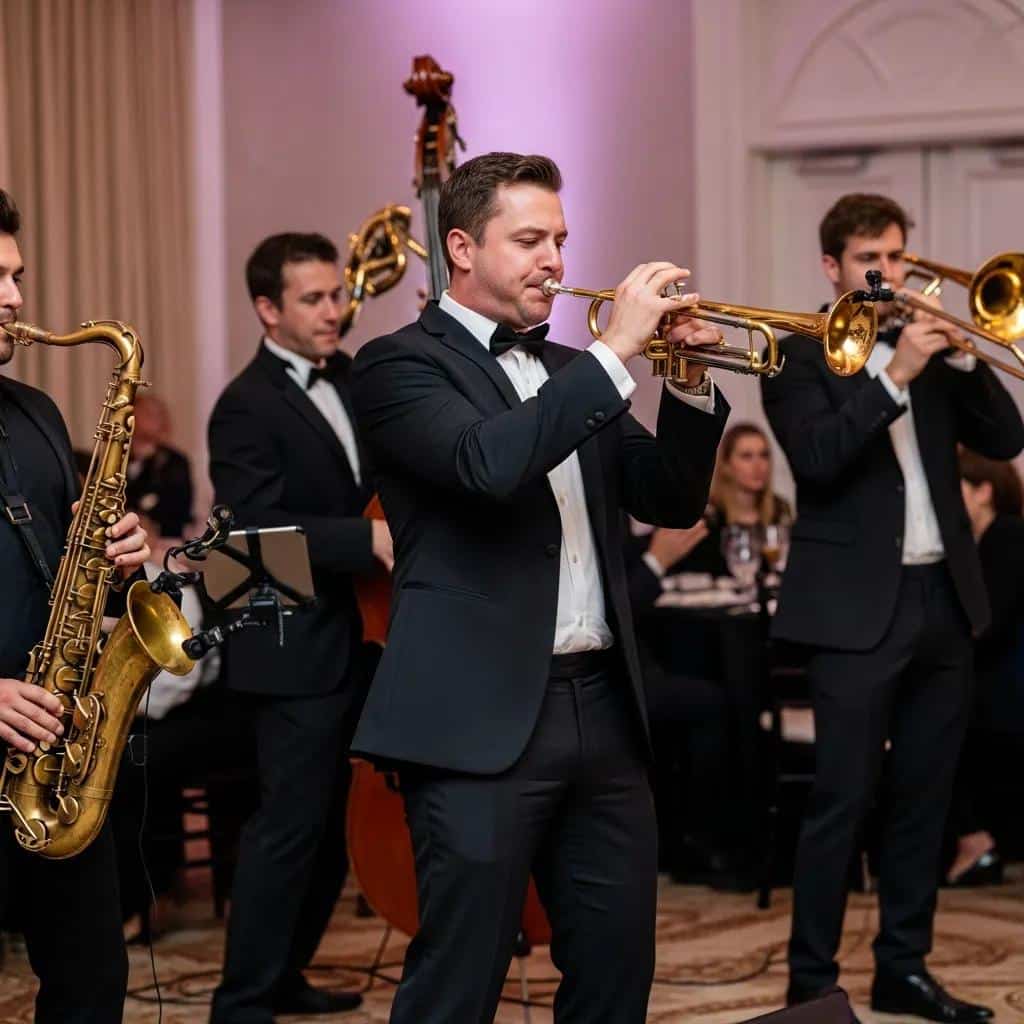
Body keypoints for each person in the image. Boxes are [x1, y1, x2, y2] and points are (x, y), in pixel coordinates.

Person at [350, 151, 730, 1023]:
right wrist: (616, 353)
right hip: (476, 722)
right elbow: (487, 466)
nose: (556, 260)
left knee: (613, 974)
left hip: (602, 707)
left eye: (559, 238)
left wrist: (688, 380)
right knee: (459, 981)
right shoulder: (396, 365)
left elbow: (666, 495)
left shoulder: (568, 369)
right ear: (461, 248)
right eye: (529, 240)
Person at [762, 192, 1024, 1022]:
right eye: (872, 258)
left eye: (899, 255)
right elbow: (818, 460)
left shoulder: (928, 345)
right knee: (842, 798)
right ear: (833, 267)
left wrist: (955, 359)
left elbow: (1008, 439)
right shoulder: (797, 353)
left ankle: (901, 967)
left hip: (942, 598)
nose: (890, 272)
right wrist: (892, 374)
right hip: (851, 611)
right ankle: (812, 979)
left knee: (925, 797)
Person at [207, 232, 391, 1022]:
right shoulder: (243, 405)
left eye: (336, 294)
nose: (334, 311)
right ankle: (242, 1001)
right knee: (287, 830)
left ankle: (287, 975)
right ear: (267, 308)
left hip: (364, 633)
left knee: (331, 833)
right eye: (312, 299)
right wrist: (365, 540)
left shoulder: (353, 377)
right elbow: (247, 537)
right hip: (289, 648)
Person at [0, 188, 154, 1022]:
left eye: (17, 275)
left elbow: (72, 570)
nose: (17, 299)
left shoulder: (35, 414)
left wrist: (117, 553)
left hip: (56, 757)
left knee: (93, 982)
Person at [945, 449, 1024, 885]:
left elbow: (988, 625)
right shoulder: (982, 541)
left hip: (1006, 683)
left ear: (983, 493)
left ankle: (974, 836)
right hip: (994, 675)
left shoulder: (1008, 538)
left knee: (929, 716)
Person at [639, 420, 792, 579]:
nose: (759, 465)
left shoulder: (779, 510)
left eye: (764, 455)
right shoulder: (705, 517)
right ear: (726, 465)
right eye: (747, 456)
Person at [125, 392, 194, 539]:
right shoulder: (119, 460)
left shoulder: (175, 462)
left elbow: (178, 511)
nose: (156, 419)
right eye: (148, 413)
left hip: (163, 541)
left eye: (159, 414)